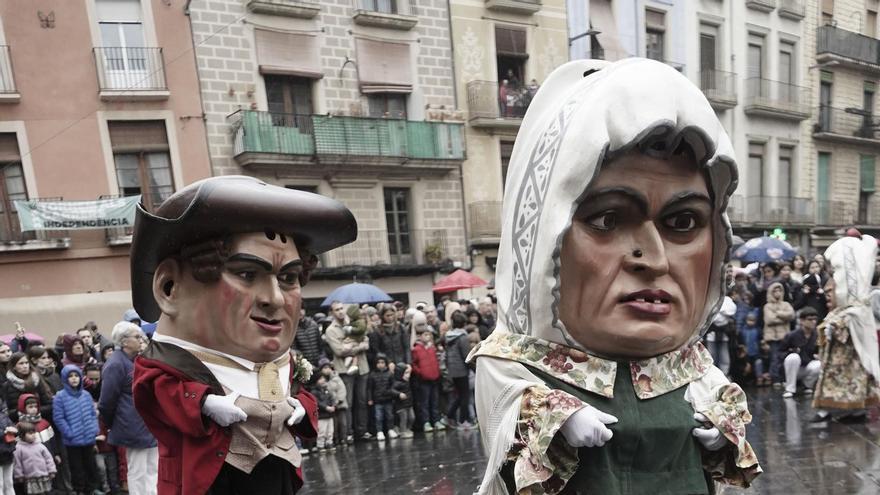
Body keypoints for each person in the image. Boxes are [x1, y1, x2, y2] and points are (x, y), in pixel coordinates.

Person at [468, 59, 760, 494]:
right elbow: (506, 404)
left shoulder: (689, 365)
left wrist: (722, 427)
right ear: (541, 237)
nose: (655, 260)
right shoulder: (512, 362)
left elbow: (716, 396)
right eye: (608, 219)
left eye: (683, 222)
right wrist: (561, 416)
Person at [131, 176, 355, 494]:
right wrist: (206, 404)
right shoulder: (165, 363)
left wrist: (302, 407)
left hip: (276, 474)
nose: (275, 299)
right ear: (170, 288)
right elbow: (156, 398)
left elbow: (297, 391)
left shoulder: (281, 360)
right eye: (247, 274)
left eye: (289, 278)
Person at [812, 235, 880, 422]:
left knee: (854, 377)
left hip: (852, 351)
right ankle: (830, 409)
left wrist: (837, 325)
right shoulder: (841, 289)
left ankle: (856, 411)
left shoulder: (859, 302)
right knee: (835, 376)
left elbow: (854, 318)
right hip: (837, 351)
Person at [100, 322, 158, 495]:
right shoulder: (115, 364)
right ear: (124, 341)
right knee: (138, 471)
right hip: (131, 426)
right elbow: (106, 401)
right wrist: (115, 423)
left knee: (153, 468)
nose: (141, 340)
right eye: (137, 337)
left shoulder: (136, 360)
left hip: (147, 424)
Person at [325, 301, 371, 442]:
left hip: (362, 367)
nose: (340, 311)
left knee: (362, 401)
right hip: (345, 370)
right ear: (332, 312)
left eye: (341, 308)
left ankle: (362, 431)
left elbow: (366, 339)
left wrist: (355, 346)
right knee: (348, 403)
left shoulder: (353, 322)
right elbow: (339, 351)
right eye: (337, 309)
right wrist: (360, 346)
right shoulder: (331, 330)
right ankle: (349, 433)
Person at [53, 365, 100, 495]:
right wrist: (69, 433)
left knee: (91, 465)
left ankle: (91, 489)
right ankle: (79, 490)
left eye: (76, 376)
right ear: (65, 379)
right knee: (76, 467)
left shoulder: (86, 395)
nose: (74, 379)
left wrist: (94, 429)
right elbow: (59, 418)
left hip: (88, 438)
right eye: (70, 376)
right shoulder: (60, 397)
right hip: (72, 440)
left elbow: (92, 414)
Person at [781, 308, 821, 398]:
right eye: (810, 319)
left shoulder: (817, 335)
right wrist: (791, 352)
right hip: (793, 368)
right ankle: (789, 388)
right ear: (802, 321)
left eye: (815, 319)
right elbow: (780, 353)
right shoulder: (792, 335)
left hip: (807, 366)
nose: (813, 322)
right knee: (793, 357)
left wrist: (817, 356)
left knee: (820, 364)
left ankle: (807, 385)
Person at [2, 353, 52, 424]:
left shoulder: (37, 380)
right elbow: (8, 411)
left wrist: (35, 411)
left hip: (41, 421)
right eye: (21, 363)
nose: (25, 366)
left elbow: (49, 404)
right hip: (20, 424)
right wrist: (24, 412)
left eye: (26, 363)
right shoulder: (7, 386)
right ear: (14, 367)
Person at [763, 282, 795, 387]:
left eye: (779, 291)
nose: (778, 293)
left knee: (785, 358)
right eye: (775, 291)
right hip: (773, 337)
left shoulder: (786, 304)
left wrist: (778, 314)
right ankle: (775, 379)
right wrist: (784, 318)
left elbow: (791, 315)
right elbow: (769, 319)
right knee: (775, 358)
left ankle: (784, 378)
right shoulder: (767, 306)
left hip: (785, 336)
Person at [411, 328, 443, 432]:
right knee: (424, 402)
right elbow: (414, 363)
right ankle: (426, 422)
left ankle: (436, 420)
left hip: (434, 377)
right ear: (419, 336)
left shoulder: (432, 348)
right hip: (424, 380)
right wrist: (420, 372)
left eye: (429, 335)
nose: (427, 337)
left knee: (435, 401)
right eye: (425, 335)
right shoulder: (416, 349)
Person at [444, 311, 471, 429]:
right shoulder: (463, 337)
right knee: (465, 396)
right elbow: (466, 356)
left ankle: (449, 416)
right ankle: (463, 421)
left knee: (460, 396)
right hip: (461, 370)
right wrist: (474, 368)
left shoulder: (448, 336)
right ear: (463, 323)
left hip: (452, 370)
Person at [12, 422, 55, 495]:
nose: (33, 435)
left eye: (34, 433)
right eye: (30, 433)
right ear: (22, 435)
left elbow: (48, 459)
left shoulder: (40, 445)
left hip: (44, 475)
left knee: (47, 492)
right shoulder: (19, 448)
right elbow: (17, 463)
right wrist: (19, 475)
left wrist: (51, 470)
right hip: (30, 478)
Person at [319, 359, 350, 446]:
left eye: (328, 367)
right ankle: (335, 440)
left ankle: (344, 438)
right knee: (334, 425)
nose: (327, 370)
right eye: (324, 368)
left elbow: (342, 390)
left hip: (340, 404)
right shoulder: (322, 381)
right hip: (331, 407)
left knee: (343, 423)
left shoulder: (336, 378)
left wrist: (338, 400)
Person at [367, 354, 395, 441]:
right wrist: (370, 398)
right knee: (378, 417)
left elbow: (393, 386)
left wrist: (392, 395)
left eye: (382, 362)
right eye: (378, 363)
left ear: (386, 363)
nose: (380, 365)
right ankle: (379, 431)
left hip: (388, 399)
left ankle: (390, 429)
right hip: (377, 400)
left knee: (390, 415)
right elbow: (370, 388)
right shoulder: (372, 375)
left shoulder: (389, 374)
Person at [310, 374, 336, 452]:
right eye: (320, 379)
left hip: (329, 415)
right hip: (321, 415)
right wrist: (326, 407)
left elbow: (331, 398)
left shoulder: (326, 390)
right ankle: (320, 445)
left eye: (323, 378)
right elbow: (317, 402)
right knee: (322, 431)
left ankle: (329, 443)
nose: (323, 380)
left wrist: (333, 405)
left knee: (330, 431)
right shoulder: (314, 392)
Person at [391, 364, 414, 438]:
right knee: (404, 419)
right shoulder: (397, 383)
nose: (408, 375)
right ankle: (403, 432)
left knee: (412, 417)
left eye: (408, 373)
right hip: (401, 405)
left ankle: (408, 429)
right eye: (406, 373)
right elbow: (392, 390)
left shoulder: (407, 381)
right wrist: (399, 394)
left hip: (409, 404)